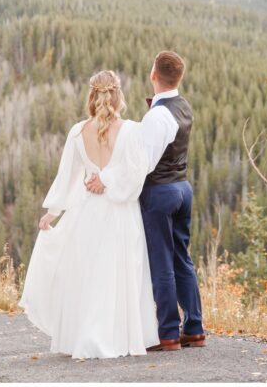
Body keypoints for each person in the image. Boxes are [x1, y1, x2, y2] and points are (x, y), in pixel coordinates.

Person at [17, 70, 158, 359]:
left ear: (91, 96)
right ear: (118, 95)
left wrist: (53, 212)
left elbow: (66, 177)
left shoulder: (78, 131)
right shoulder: (131, 130)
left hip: (86, 211)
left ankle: (86, 336)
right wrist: (110, 181)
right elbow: (136, 177)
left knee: (89, 274)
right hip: (119, 211)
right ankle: (112, 337)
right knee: (115, 273)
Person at [85, 51, 205, 351]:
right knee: (182, 258)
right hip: (182, 188)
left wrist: (107, 179)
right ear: (179, 77)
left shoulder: (157, 116)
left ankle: (167, 332)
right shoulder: (184, 107)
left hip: (160, 193)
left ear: (154, 75)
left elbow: (142, 165)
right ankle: (194, 327)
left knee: (162, 263)